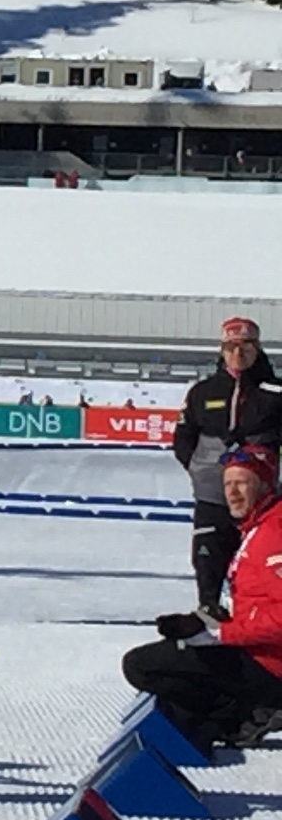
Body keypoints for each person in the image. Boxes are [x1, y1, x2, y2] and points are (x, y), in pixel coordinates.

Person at [125, 441, 282, 749]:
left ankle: (241, 714)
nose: (232, 492)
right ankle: (233, 716)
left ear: (265, 485)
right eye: (227, 484)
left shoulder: (275, 533)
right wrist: (197, 624)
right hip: (254, 651)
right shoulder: (257, 527)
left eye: (242, 483)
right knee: (169, 652)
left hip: (269, 663)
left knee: (141, 665)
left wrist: (221, 634)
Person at [172, 316, 282, 617]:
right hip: (213, 492)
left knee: (266, 553)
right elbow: (183, 436)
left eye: (246, 345)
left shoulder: (276, 391)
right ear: (222, 350)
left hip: (265, 497)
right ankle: (208, 606)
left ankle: (263, 609)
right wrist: (198, 469)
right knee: (208, 551)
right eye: (231, 346)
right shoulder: (203, 391)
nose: (239, 352)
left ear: (258, 349)